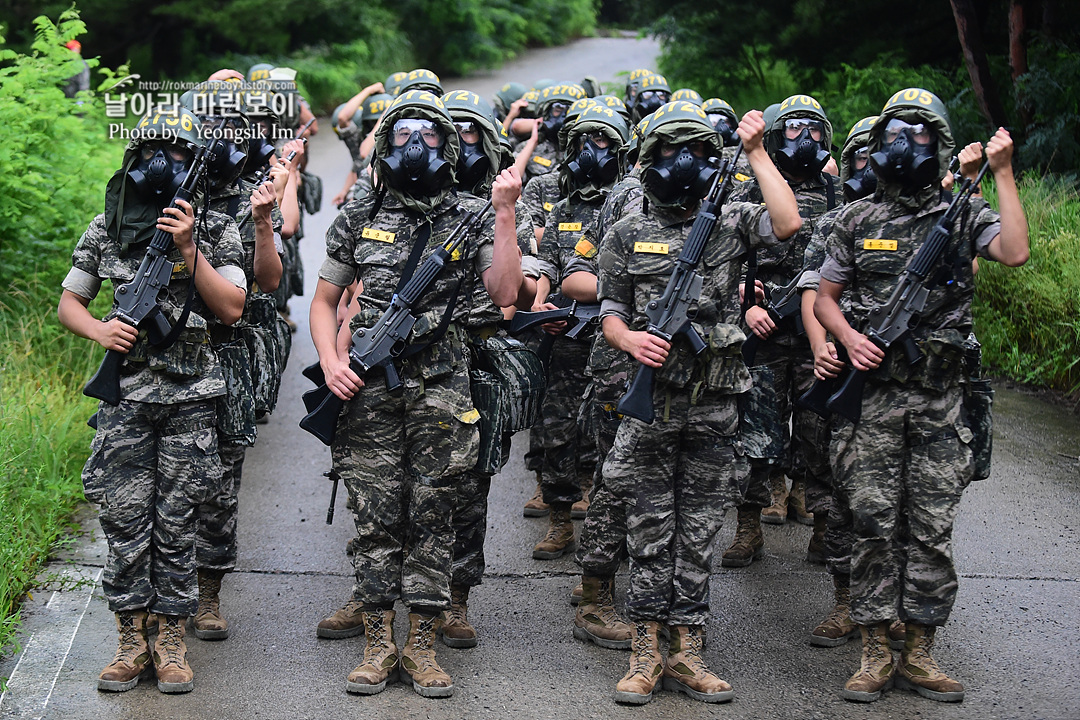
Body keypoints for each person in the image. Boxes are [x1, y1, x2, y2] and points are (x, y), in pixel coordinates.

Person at [813, 89, 1028, 703]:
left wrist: (1003, 173)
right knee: (873, 526)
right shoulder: (855, 218)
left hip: (938, 401)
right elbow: (825, 295)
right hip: (873, 402)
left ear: (938, 142)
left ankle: (920, 652)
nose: (905, 145)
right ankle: (875, 652)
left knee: (930, 528)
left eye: (920, 134)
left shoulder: (960, 211)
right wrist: (850, 339)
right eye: (894, 134)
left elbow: (1013, 250)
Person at [308, 89, 525, 699]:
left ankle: (421, 646)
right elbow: (325, 304)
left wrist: (504, 213)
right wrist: (330, 361)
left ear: (451, 145)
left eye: (429, 136)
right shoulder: (360, 211)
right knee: (376, 518)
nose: (413, 145)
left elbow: (506, 293)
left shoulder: (473, 212)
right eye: (402, 133)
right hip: (369, 392)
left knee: (433, 518)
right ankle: (379, 645)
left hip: (442, 390)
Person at [597, 101, 802, 705]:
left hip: (714, 405)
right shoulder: (626, 231)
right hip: (651, 405)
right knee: (649, 529)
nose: (678, 162)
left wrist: (758, 152)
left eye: (691, 150)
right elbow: (608, 310)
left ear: (713, 160)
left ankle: (688, 653)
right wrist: (630, 338)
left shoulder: (732, 221)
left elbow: (788, 223)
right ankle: (643, 654)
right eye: (666, 150)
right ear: (647, 158)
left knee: (699, 530)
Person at [58, 108, 246, 693]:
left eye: (178, 153)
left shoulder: (215, 227)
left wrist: (191, 251)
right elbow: (70, 301)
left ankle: (170, 640)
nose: (161, 163)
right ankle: (128, 638)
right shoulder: (108, 225)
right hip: (127, 399)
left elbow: (233, 308)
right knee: (124, 517)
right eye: (150, 152)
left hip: (192, 396)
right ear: (133, 160)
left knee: (178, 519)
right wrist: (98, 331)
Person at [722, 94, 841, 568]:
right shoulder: (748, 194)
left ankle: (826, 528)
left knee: (822, 433)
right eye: (792, 130)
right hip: (761, 335)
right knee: (754, 435)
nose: (805, 140)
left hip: (820, 338)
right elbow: (716, 266)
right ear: (772, 137)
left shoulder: (841, 196)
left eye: (813, 131)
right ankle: (748, 528)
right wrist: (743, 302)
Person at [530, 103, 631, 561]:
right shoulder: (564, 207)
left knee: (612, 429)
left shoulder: (630, 202)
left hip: (617, 340)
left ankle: (608, 524)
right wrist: (541, 305)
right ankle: (559, 519)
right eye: (588, 140)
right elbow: (549, 265)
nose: (596, 150)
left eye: (606, 141)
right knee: (558, 430)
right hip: (568, 335)